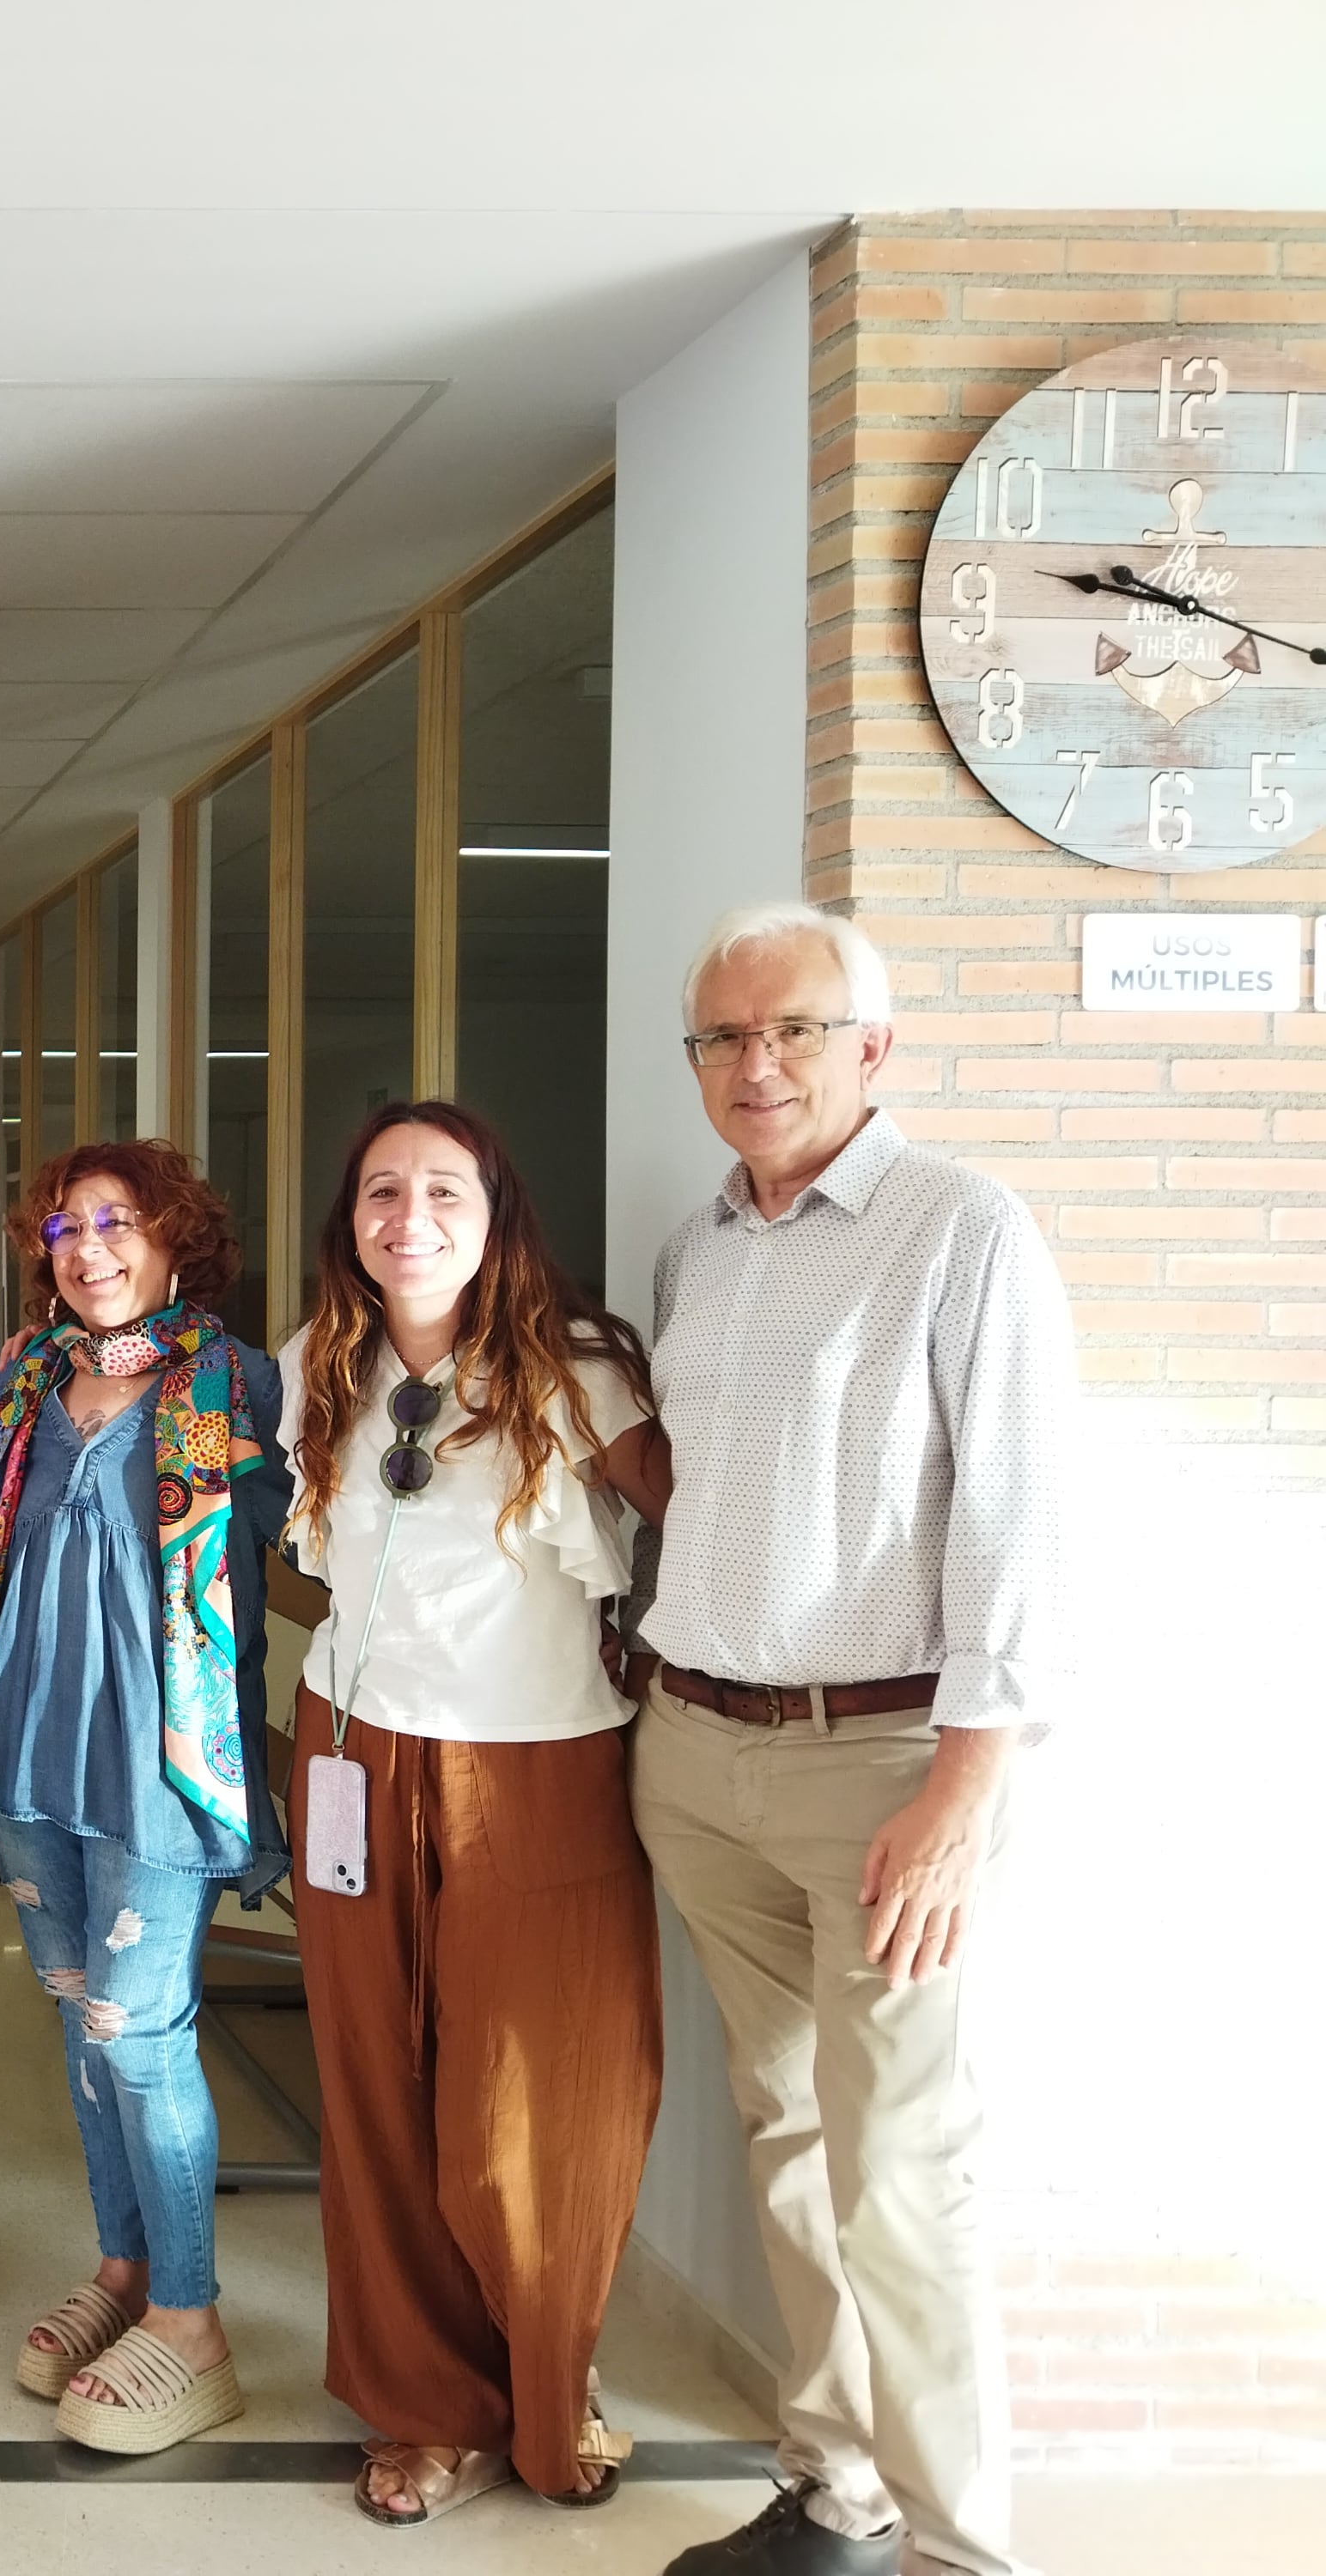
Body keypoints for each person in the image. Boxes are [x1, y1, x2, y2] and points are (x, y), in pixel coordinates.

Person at [634, 903, 1074, 2576]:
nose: (755, 1064)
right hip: (697, 1762)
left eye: (792, 1031)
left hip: (883, 1773)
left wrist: (968, 1780)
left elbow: (1023, 1524)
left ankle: (962, 2551)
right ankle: (835, 2493)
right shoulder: (700, 1250)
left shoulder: (959, 1232)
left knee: (900, 2175)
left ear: (868, 1047)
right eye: (722, 1039)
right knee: (785, 2137)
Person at [277, 1100, 670, 2527]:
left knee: (534, 2103)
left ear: (495, 1215)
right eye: (382, 1192)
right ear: (352, 1224)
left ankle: (551, 2393)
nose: (410, 1218)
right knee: (376, 2093)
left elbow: (703, 1527)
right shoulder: (314, 1364)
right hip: (351, 1756)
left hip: (538, 1765)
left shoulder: (580, 1375)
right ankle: (423, 2409)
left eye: (445, 1191)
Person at [0, 1139, 289, 2455]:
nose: (90, 1249)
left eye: (119, 1223)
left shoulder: (229, 1378)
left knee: (140, 2029)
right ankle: (124, 2272)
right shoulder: (27, 1374)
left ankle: (195, 2321)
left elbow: (268, 1541)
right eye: (65, 1228)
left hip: (162, 1766)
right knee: (79, 2022)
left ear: (178, 1237)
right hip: (27, 1753)